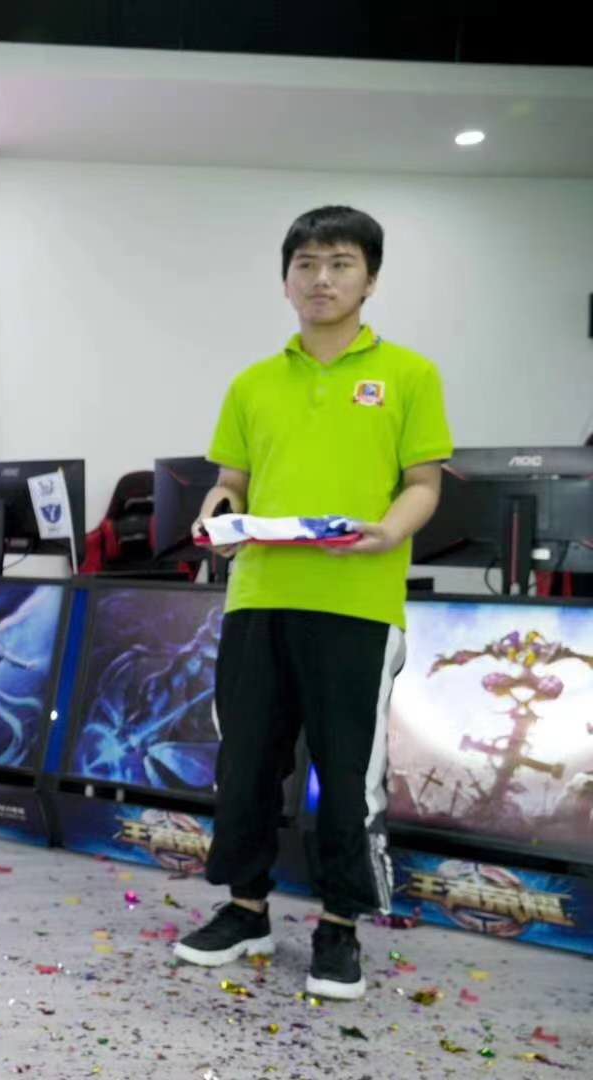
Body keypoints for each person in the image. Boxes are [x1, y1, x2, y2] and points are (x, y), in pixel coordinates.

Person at [174, 206, 452, 1001]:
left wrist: (387, 531)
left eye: (339, 264)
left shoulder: (409, 374)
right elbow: (232, 482)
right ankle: (246, 910)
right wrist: (216, 517)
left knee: (347, 774)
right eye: (305, 265)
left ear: (370, 279)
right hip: (260, 597)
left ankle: (340, 924)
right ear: (285, 280)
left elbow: (424, 483)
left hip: (357, 602)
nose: (320, 279)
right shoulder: (253, 383)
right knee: (247, 763)